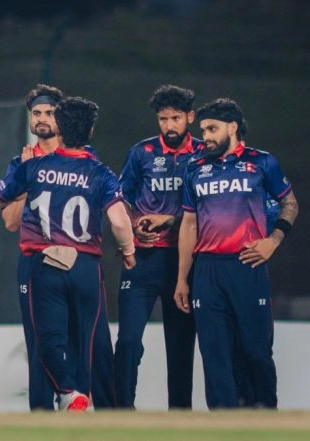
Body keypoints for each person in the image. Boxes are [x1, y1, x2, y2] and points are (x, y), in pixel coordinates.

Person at [0, 96, 136, 412]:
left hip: (44, 262)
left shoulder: (33, 167)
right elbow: (120, 220)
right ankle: (107, 411)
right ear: (90, 129)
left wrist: (23, 183)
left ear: (60, 127)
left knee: (46, 340)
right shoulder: (99, 170)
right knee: (95, 341)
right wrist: (128, 250)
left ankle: (68, 392)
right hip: (85, 264)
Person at [174, 98, 299, 409]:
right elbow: (189, 224)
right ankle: (222, 419)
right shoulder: (195, 168)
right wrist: (182, 278)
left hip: (247, 265)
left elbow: (291, 204)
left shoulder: (262, 162)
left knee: (256, 348)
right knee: (214, 350)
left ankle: (264, 411)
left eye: (213, 129)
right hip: (207, 270)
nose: (206, 137)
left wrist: (273, 240)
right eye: (203, 130)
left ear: (233, 127)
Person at [113, 84, 199, 409]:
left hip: (184, 263)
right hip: (143, 261)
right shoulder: (142, 152)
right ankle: (122, 412)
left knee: (180, 348)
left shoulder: (203, 154)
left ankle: (180, 416)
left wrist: (169, 219)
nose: (169, 126)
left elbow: (207, 208)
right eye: (163, 119)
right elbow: (121, 198)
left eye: (176, 118)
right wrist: (134, 223)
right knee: (128, 340)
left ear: (190, 116)